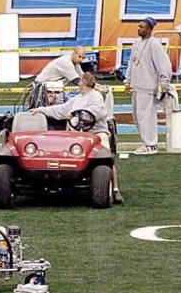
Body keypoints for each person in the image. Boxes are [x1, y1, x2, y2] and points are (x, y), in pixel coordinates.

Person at [31, 71, 124, 204]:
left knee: (105, 154)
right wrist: (41, 110)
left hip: (96, 132)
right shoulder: (77, 99)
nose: (78, 84)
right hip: (77, 133)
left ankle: (114, 189)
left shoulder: (96, 97)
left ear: (84, 83)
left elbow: (97, 112)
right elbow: (60, 110)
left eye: (80, 82)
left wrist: (77, 116)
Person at [123, 17, 171, 155]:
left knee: (146, 117)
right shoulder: (136, 44)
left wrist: (164, 82)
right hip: (137, 87)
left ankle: (151, 145)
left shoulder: (154, 44)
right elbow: (131, 64)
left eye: (142, 27)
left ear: (149, 29)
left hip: (148, 87)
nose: (139, 29)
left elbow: (163, 65)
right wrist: (127, 81)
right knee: (138, 117)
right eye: (138, 26)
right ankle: (146, 142)